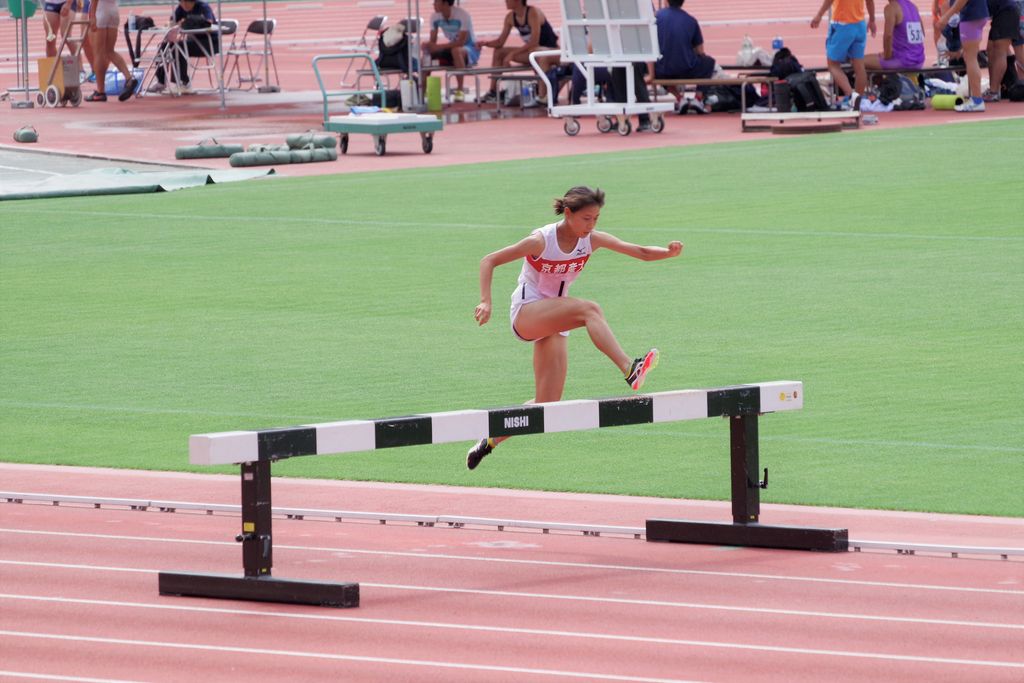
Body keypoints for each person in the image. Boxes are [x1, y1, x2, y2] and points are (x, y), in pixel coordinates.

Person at [467, 186, 684, 470]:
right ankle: (630, 369)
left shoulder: (591, 240)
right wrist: (486, 301)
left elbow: (641, 252)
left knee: (548, 405)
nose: (591, 225)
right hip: (528, 313)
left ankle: (489, 441)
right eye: (586, 219)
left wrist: (667, 253)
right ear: (568, 213)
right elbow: (489, 260)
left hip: (556, 319)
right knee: (589, 309)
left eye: (595, 219)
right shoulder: (541, 241)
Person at [478, 0, 560, 104]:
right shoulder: (510, 17)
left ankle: (542, 94)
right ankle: (493, 92)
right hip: (531, 52)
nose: (505, 1)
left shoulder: (532, 12)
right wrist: (485, 43)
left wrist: (513, 54)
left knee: (533, 51)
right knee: (499, 52)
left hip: (548, 51)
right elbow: (500, 42)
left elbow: (534, 41)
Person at [811, 0, 877, 110]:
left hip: (843, 24)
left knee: (833, 64)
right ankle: (857, 104)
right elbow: (869, 2)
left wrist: (819, 15)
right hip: (860, 24)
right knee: (859, 67)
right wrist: (872, 19)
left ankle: (852, 97)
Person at [650, 0, 717, 103]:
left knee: (655, 65)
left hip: (663, 71)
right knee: (708, 62)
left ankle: (679, 97)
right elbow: (700, 51)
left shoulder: (656, 17)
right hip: (686, 69)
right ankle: (698, 98)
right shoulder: (691, 20)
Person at [149, 0, 219, 94]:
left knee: (179, 47)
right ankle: (161, 82)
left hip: (209, 43)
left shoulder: (203, 7)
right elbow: (171, 22)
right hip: (193, 41)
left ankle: (184, 83)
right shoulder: (180, 8)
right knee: (164, 46)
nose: (184, 5)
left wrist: (190, 21)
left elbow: (209, 22)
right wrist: (171, 24)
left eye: (187, 2)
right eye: (181, 2)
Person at [422, 0, 480, 102]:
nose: (433, 4)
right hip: (451, 47)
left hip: (469, 48)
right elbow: (433, 42)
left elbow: (461, 42)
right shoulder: (434, 17)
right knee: (427, 54)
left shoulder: (463, 15)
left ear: (445, 3)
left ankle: (460, 90)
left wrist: (438, 47)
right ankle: (422, 90)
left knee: (456, 51)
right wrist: (428, 46)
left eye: (436, 1)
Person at [937, 0, 989, 110]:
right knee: (970, 56)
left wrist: (947, 16)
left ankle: (977, 99)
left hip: (971, 15)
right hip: (977, 13)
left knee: (970, 57)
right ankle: (976, 98)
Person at [86, 0, 136, 101]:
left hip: (100, 10)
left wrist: (92, 15)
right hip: (113, 10)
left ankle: (100, 91)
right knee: (109, 51)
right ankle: (129, 78)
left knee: (98, 53)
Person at [864, 0, 926, 70]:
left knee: (858, 62)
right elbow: (922, 33)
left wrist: (887, 55)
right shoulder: (913, 7)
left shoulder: (891, 8)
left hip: (903, 61)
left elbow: (888, 36)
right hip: (919, 60)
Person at [44, 0, 96, 78]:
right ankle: (53, 73)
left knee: (66, 37)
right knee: (50, 39)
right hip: (50, 3)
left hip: (67, 2)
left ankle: (80, 70)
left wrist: (68, 4)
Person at [983, 0, 1022, 100]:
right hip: (1000, 14)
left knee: (1000, 51)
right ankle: (993, 88)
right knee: (990, 50)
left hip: (1007, 12)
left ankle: (994, 91)